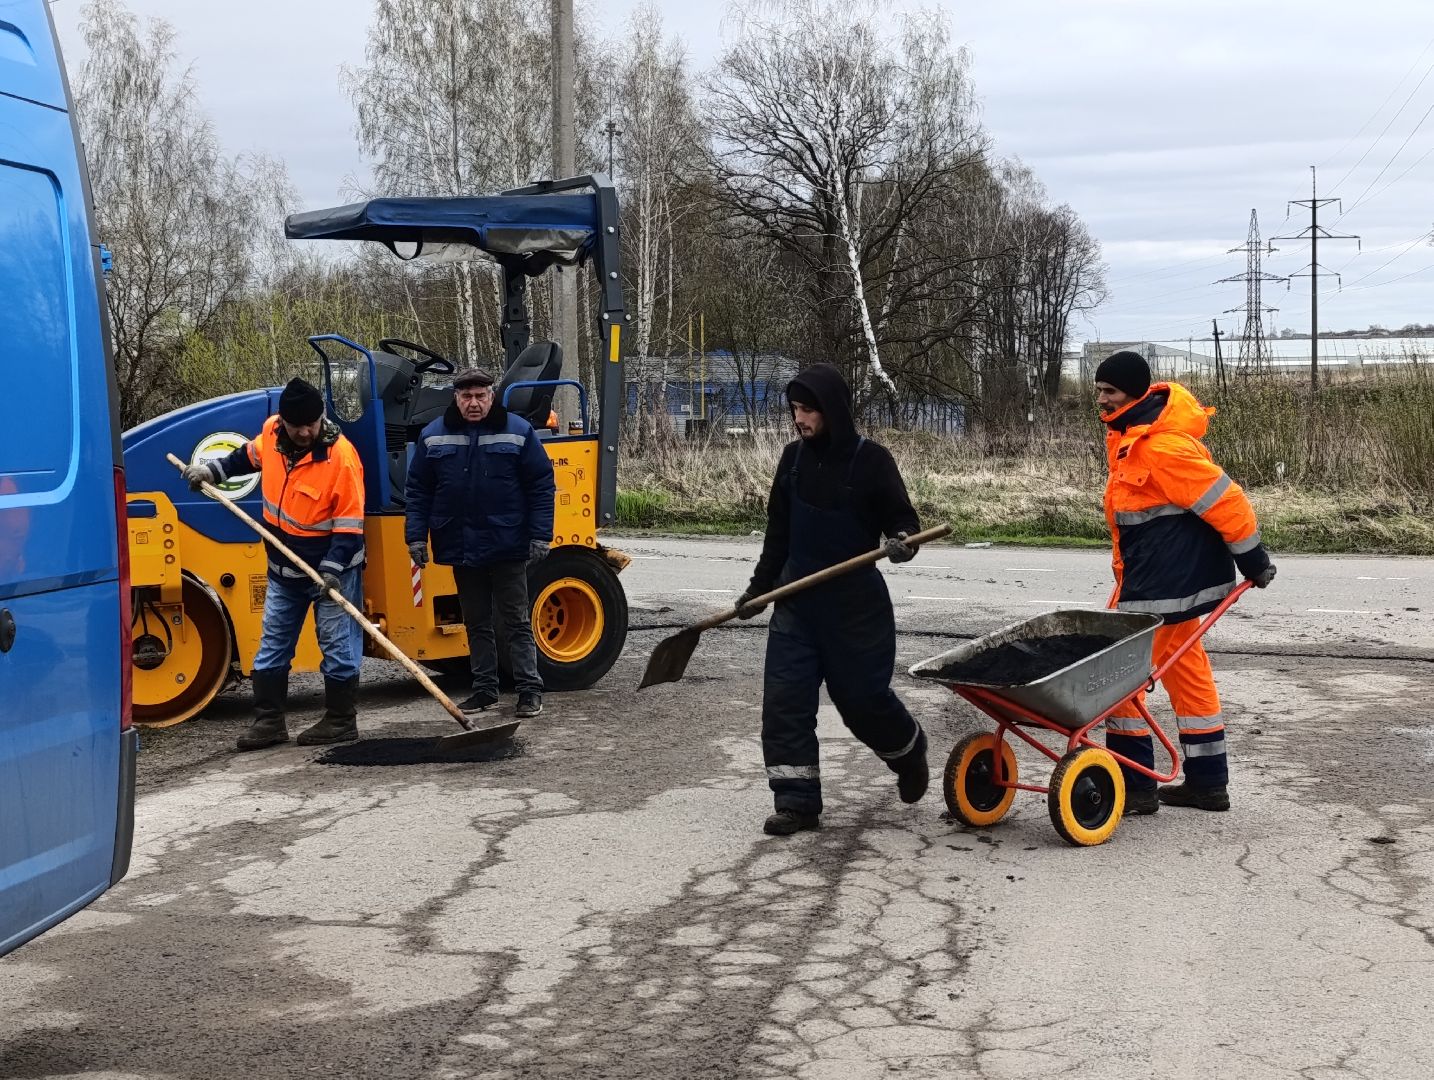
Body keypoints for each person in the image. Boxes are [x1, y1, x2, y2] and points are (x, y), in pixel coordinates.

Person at [736, 363, 930, 837]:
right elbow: (777, 536)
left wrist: (903, 541)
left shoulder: (872, 461)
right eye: (795, 409)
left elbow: (904, 523)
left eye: (808, 409)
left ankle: (909, 752)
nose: (799, 418)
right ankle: (797, 802)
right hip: (797, 608)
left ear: (834, 411)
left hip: (855, 612)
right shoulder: (792, 460)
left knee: (862, 702)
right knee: (784, 704)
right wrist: (759, 589)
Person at [1095, 350, 1277, 813]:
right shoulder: (1131, 437)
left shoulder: (1161, 446)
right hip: (1158, 580)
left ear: (1134, 393)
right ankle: (1208, 783)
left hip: (1164, 589)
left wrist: (1253, 559)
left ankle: (1135, 788)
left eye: (1109, 391)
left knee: (1118, 680)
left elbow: (1227, 501)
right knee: (1187, 672)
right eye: (1098, 391)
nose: (1100, 400)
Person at [183, 377, 367, 750]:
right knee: (272, 644)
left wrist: (332, 570)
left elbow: (350, 526)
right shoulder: (271, 434)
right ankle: (269, 722)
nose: (304, 431)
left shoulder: (341, 459)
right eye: (295, 424)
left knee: (336, 645)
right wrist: (211, 473)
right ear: (281, 421)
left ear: (321, 418)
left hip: (332, 571)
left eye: (311, 424)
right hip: (283, 568)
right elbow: (245, 457)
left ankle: (341, 720)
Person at [405, 366, 556, 719]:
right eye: (466, 396)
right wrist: (415, 536)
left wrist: (540, 535)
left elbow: (540, 486)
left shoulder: (518, 432)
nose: (473, 403)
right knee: (476, 622)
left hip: (507, 544)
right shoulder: (433, 436)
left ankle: (529, 691)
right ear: (456, 398)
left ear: (491, 397)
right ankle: (485, 690)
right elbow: (418, 490)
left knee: (516, 621)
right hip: (462, 545)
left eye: (480, 396)